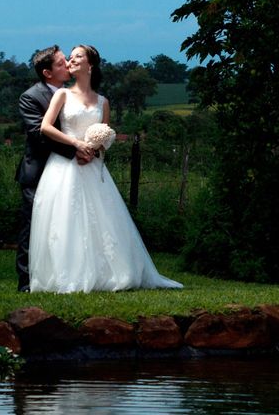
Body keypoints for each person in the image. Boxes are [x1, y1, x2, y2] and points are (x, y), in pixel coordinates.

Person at [29, 44, 183, 293]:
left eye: (78, 56)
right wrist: (76, 144)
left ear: (90, 65)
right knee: (67, 219)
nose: (71, 60)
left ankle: (110, 272)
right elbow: (46, 127)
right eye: (70, 57)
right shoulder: (62, 95)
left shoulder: (103, 102)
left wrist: (94, 150)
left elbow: (105, 138)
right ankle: (68, 274)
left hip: (92, 166)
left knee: (101, 220)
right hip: (64, 167)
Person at [15, 45, 94, 293]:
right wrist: (75, 151)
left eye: (67, 60)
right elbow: (41, 135)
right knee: (33, 226)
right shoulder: (31, 97)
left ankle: (63, 274)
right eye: (61, 63)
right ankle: (26, 283)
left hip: (71, 171)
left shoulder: (72, 94)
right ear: (48, 73)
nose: (67, 65)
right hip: (38, 172)